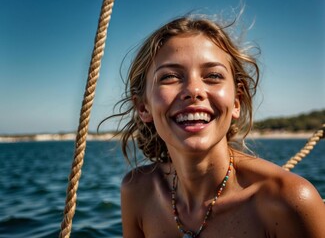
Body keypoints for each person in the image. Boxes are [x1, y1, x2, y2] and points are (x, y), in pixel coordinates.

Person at [105, 15, 325, 237]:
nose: (194, 90)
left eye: (213, 75)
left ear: (236, 101)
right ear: (143, 108)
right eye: (170, 77)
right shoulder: (137, 192)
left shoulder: (288, 202)